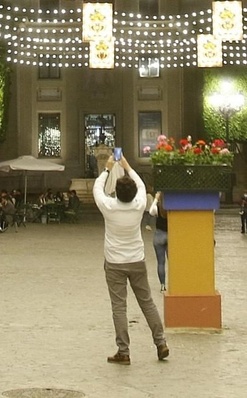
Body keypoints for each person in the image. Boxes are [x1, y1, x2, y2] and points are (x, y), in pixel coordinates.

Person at [95, 154, 168, 365]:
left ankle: (124, 351)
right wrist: (126, 166)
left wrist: (108, 169)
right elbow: (141, 184)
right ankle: (160, 342)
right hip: (137, 260)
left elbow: (98, 189)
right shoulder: (139, 204)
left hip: (114, 262)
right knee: (147, 303)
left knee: (119, 307)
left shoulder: (108, 207)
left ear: (116, 192)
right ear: (134, 193)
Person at [148, 192, 169, 292]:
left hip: (159, 235)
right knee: (172, 263)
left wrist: (156, 199)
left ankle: (162, 285)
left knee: (161, 263)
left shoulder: (158, 207)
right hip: (171, 235)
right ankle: (174, 284)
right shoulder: (171, 208)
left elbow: (151, 212)